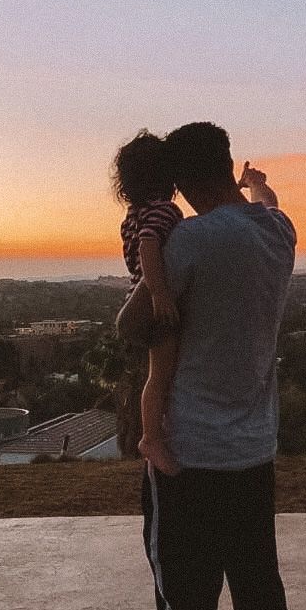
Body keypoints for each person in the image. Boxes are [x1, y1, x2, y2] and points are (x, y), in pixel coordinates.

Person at [141, 121, 300, 610]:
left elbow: (137, 324)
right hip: (253, 453)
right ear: (228, 162)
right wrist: (258, 188)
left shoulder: (190, 243)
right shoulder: (278, 232)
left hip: (184, 456)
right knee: (262, 601)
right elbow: (268, 204)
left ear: (181, 182)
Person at [112, 129, 182, 477]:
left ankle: (153, 435)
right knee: (160, 376)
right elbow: (148, 246)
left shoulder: (134, 213)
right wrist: (159, 293)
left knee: (158, 375)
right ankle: (151, 439)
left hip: (139, 300)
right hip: (151, 306)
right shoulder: (164, 211)